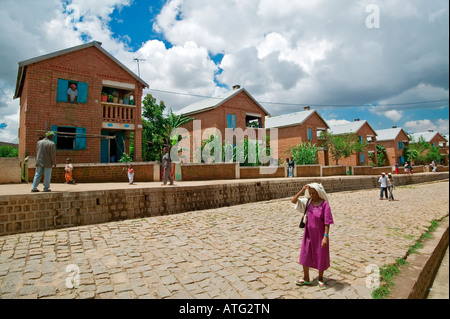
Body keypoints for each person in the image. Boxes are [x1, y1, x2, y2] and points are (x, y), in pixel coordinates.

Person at [291, 183, 334, 289]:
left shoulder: (324, 205)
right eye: (310, 193)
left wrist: (325, 236)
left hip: (320, 235)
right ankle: (306, 278)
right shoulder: (308, 202)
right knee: (305, 254)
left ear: (319, 193)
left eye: (314, 193)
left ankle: (320, 278)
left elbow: (327, 222)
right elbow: (293, 201)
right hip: (308, 234)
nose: (312, 195)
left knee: (321, 255)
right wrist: (302, 191)